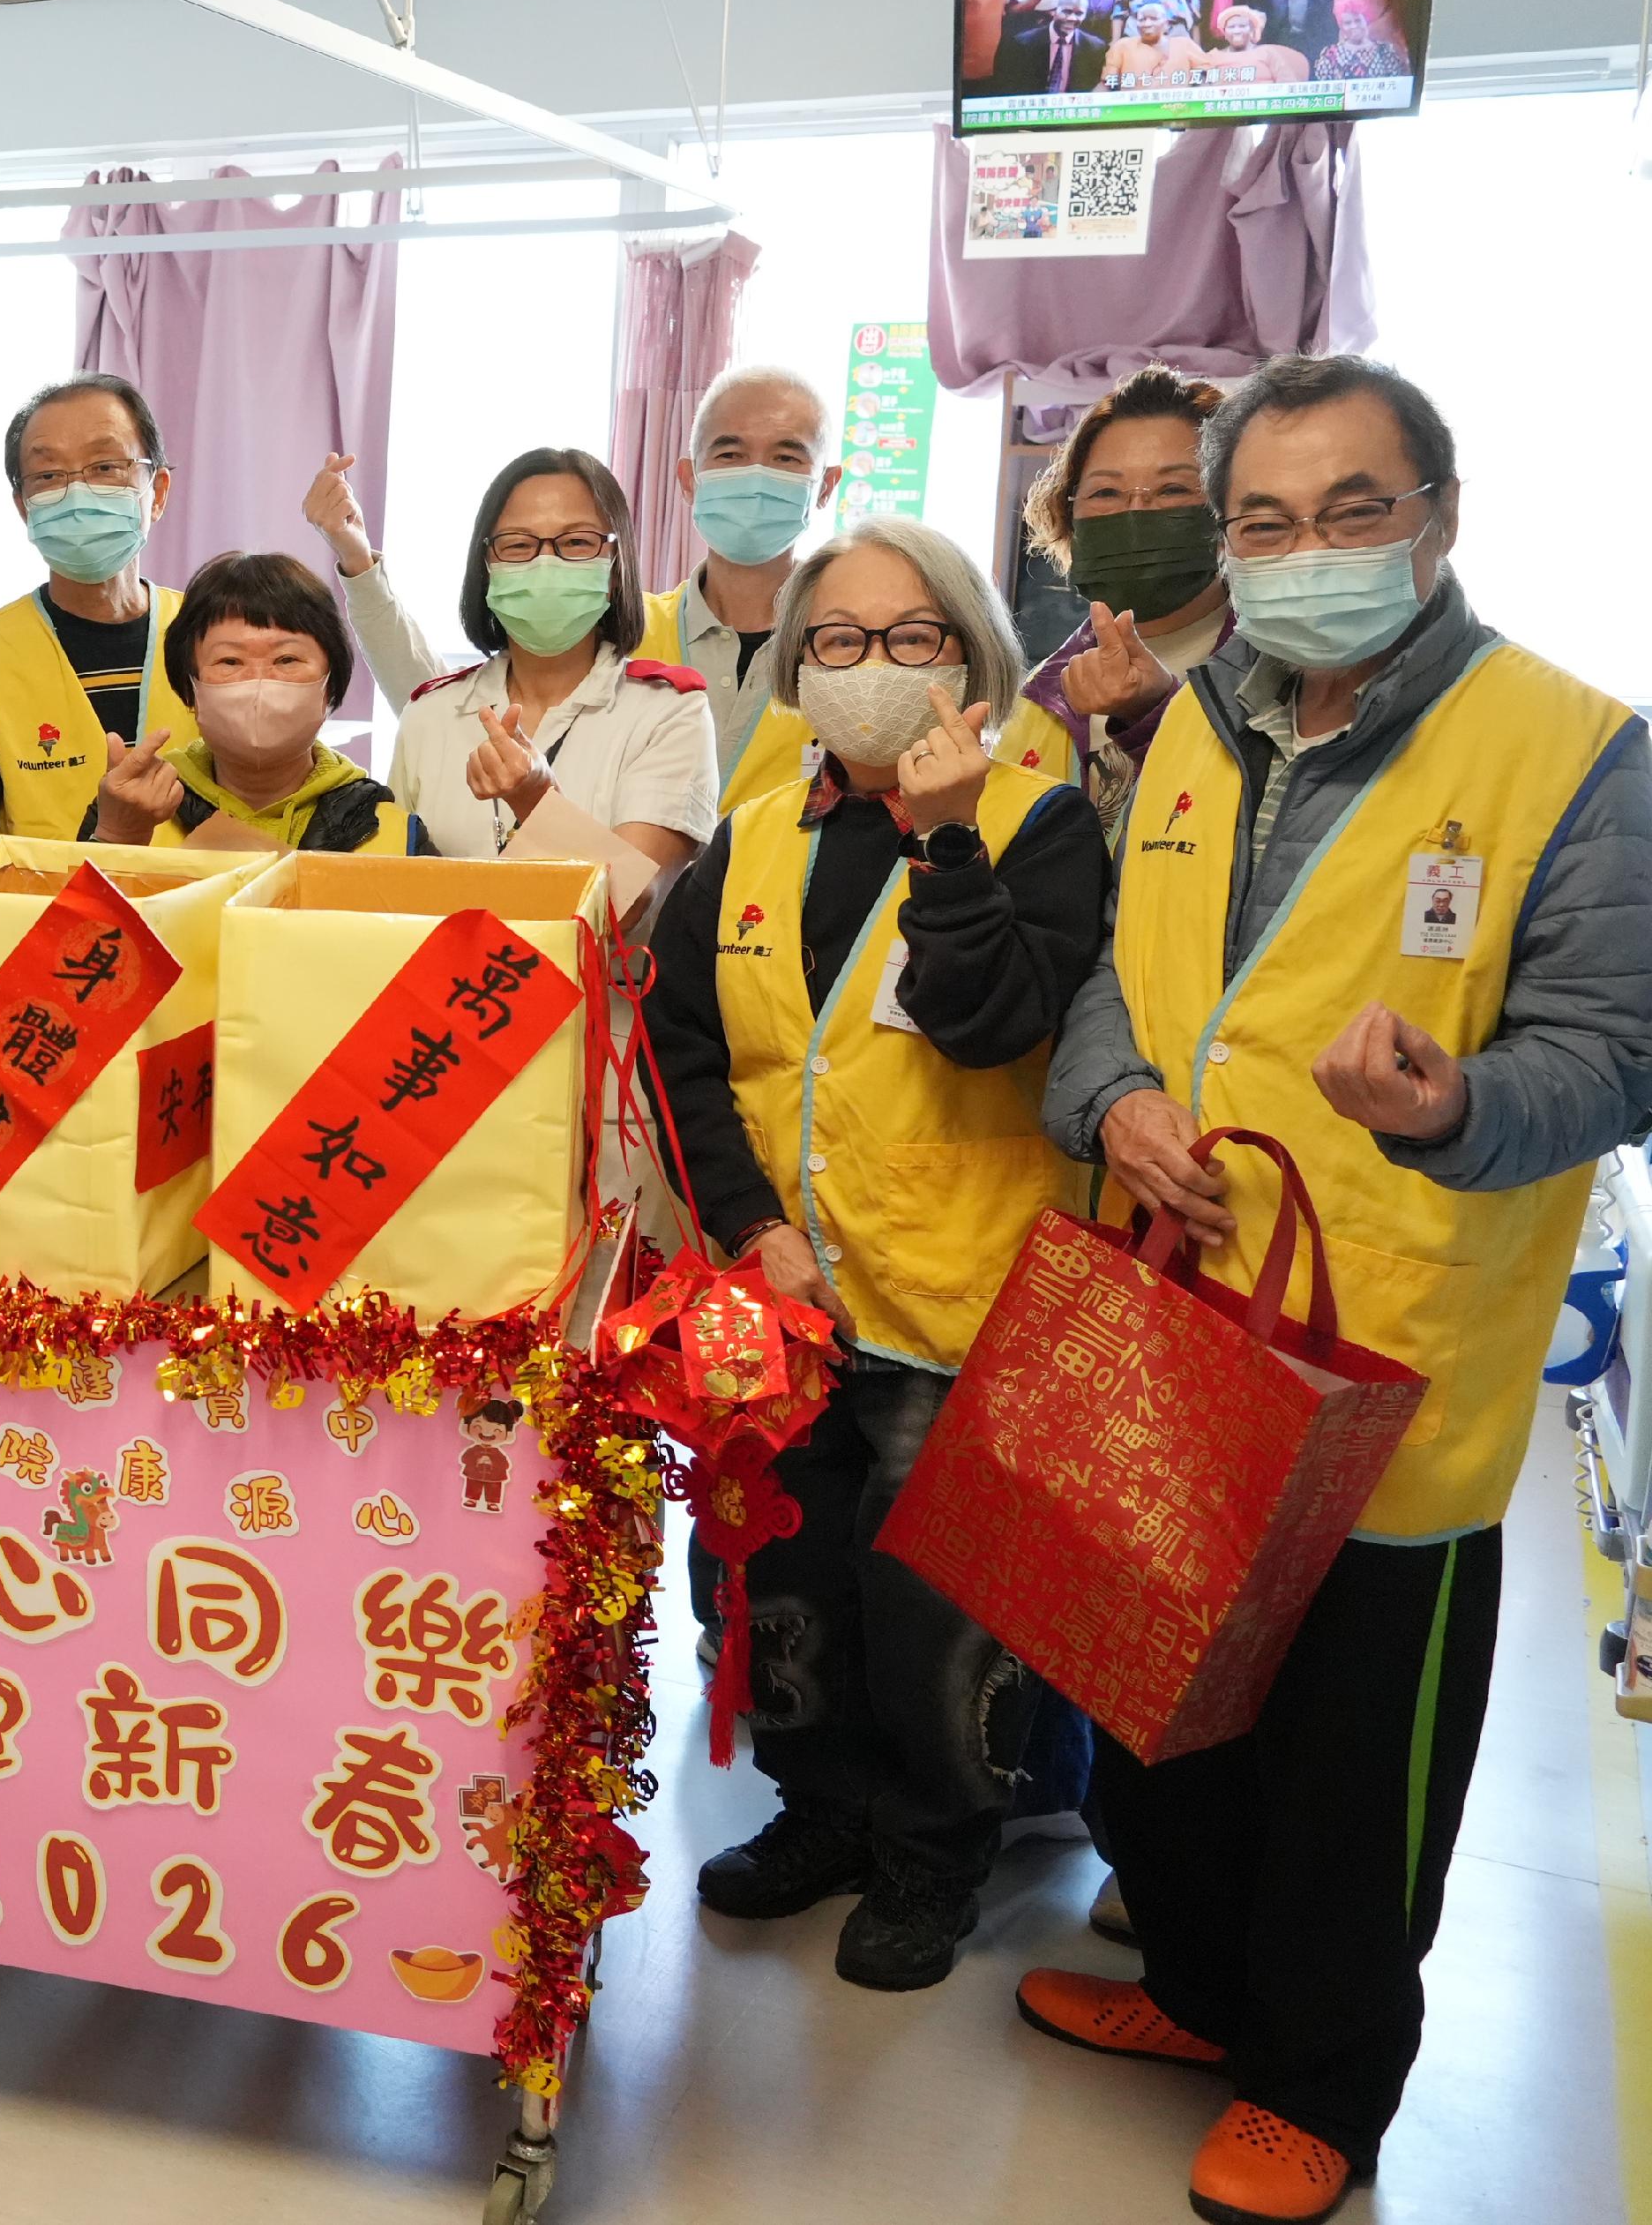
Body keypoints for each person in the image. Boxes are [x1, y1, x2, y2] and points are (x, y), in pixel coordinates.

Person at [1023, 354, 1652, 2225]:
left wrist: (1457, 1102)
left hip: (1394, 1344)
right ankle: (1197, 1994)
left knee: (1340, 1752)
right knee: (1153, 1703)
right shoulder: (1184, 732)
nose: (1306, 555)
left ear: (1434, 517)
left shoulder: (1568, 748)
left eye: (1349, 512)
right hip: (1169, 1301)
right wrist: (1114, 1095)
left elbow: (1615, 1052)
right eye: (1265, 522)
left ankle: (1321, 2081)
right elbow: (1113, 981)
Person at [648, 517, 1106, 1995]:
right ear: (795, 667)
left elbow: (993, 1021)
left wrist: (947, 833)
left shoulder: (1037, 822)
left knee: (936, 1620)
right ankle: (822, 1810)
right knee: (779, 1583)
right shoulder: (760, 829)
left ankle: (931, 1859)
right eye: (837, 641)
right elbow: (687, 1043)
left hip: (956, 1301)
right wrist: (749, 1225)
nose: (872, 666)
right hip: (784, 1297)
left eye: (914, 638)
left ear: (972, 658)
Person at [321, 447, 713, 904]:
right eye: (518, 545)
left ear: (614, 566)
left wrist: (535, 799)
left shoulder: (668, 712)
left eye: (576, 543)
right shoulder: (431, 713)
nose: (545, 563)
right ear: (487, 568)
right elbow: (395, 893)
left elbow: (629, 902)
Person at [0, 373, 182, 843]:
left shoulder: (216, 638)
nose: (77, 493)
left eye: (105, 466)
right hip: (33, 914)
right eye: (48, 476)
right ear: (24, 507)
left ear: (157, 492)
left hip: (208, 912)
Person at [1005, 366, 1233, 843]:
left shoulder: (1280, 674)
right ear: (1067, 514)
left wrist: (1153, 713)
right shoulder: (1039, 699)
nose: (1136, 510)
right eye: (1106, 492)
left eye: (1173, 489)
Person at [86, 551, 421, 855]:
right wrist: (116, 837)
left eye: (287, 659)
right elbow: (77, 923)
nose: (258, 682)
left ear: (329, 685)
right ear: (190, 692)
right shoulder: (133, 806)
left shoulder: (395, 834)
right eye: (230, 662)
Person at [1107, 2, 1208, 91]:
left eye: (1154, 19)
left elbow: (1204, 79)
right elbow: (1106, 84)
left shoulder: (1185, 44)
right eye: (1142, 20)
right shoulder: (1123, 46)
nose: (1147, 24)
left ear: (1166, 24)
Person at [1207, 4, 1310, 87]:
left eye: (1242, 26)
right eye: (1231, 27)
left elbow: (1288, 85)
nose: (1237, 31)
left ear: (1252, 30)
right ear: (1224, 33)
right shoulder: (1213, 57)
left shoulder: (1268, 53)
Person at [1313, 0, 1411, 83]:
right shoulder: (1331, 55)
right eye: (1348, 23)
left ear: (1366, 21)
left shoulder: (1385, 51)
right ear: (1341, 26)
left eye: (1358, 20)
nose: (1354, 26)